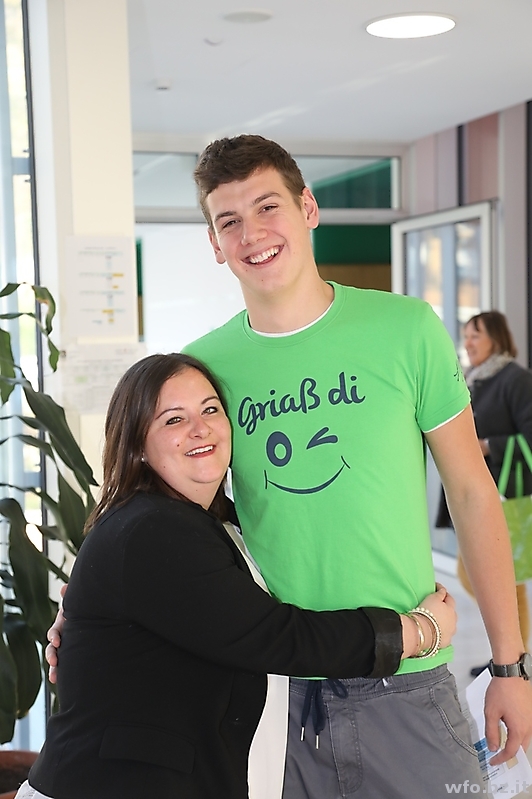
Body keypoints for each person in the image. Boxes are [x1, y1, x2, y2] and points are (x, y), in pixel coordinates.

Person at [47, 135, 532, 798]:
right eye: (229, 220)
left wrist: (509, 664)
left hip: (408, 677)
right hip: (271, 697)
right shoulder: (205, 368)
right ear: (214, 243)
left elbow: (473, 493)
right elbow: (163, 514)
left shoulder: (407, 329)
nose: (252, 234)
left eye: (267, 207)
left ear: (308, 208)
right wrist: (83, 609)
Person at [23, 353, 455, 799]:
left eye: (210, 409)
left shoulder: (202, 521)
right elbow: (276, 637)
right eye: (174, 420)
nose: (200, 428)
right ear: (138, 446)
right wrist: (416, 632)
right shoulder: (154, 529)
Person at [462, 311, 531, 674]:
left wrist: (488, 445)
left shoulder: (515, 379)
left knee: (509, 580)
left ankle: (515, 663)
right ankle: (515, 655)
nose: (468, 342)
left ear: (496, 338)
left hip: (509, 495)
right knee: (471, 571)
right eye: (465, 335)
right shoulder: (474, 380)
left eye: (475, 335)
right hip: (482, 493)